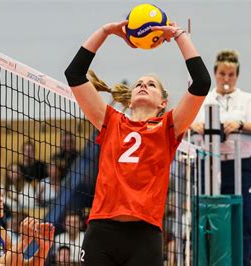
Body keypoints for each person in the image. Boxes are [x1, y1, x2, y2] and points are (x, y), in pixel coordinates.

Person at [64, 19, 211, 265]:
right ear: (130, 100)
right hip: (102, 232)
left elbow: (202, 82)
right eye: (138, 84)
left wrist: (178, 35)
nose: (143, 85)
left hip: (144, 236)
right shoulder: (110, 121)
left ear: (163, 102)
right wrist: (105, 31)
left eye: (151, 84)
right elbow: (74, 73)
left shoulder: (168, 127)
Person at [190, 49, 251, 266]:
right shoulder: (204, 99)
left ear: (236, 75)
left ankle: (241, 262)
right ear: (215, 73)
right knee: (208, 218)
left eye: (230, 74)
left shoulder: (247, 99)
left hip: (240, 165)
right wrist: (197, 126)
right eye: (222, 74)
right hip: (209, 165)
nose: (226, 79)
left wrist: (239, 125)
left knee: (241, 219)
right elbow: (188, 123)